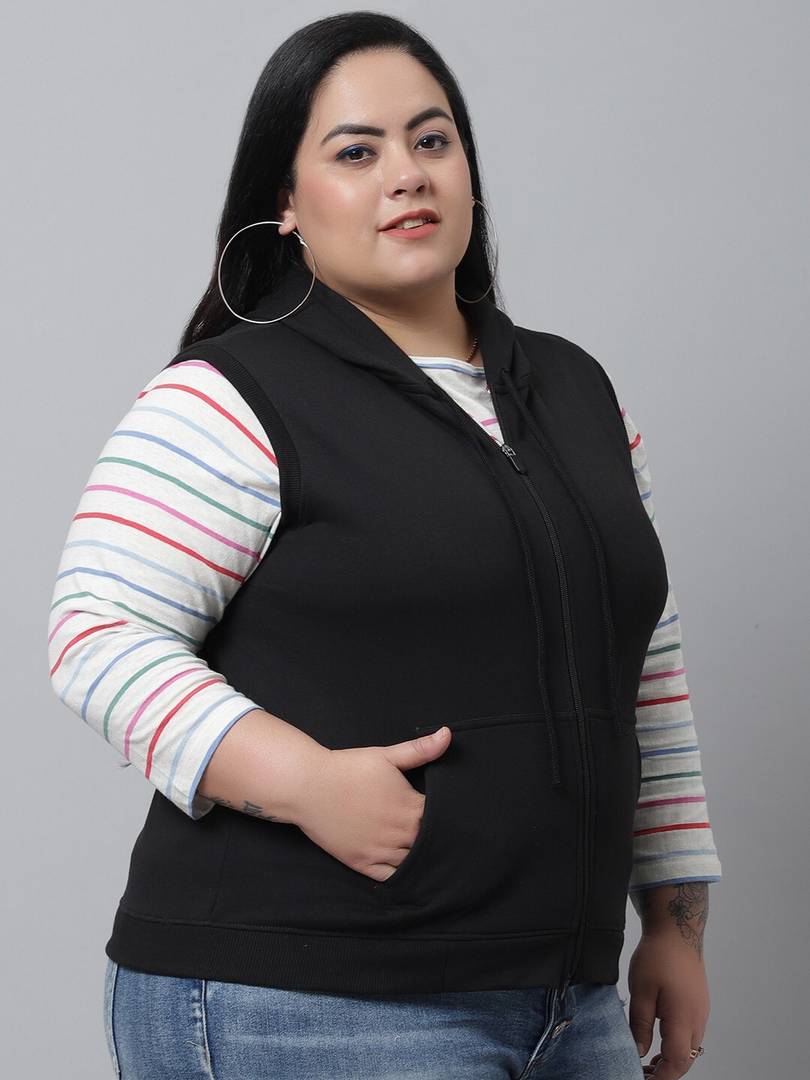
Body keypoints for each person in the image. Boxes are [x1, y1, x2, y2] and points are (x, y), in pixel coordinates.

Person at [48, 12, 721, 1079]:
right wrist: (303, 780)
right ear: (285, 203)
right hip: (301, 999)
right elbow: (95, 634)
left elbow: (646, 665)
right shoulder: (229, 396)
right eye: (356, 152)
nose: (406, 173)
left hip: (568, 1003)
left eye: (432, 139)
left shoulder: (578, 394)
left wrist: (674, 922)